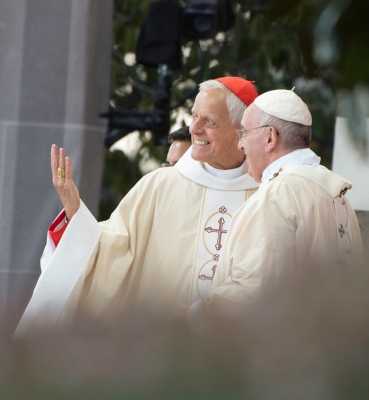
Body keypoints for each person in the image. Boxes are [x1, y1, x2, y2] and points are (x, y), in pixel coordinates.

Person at [15, 77, 260, 335]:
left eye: (208, 121)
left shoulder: (266, 194)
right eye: (194, 116)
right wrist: (75, 212)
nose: (194, 128)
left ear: (241, 130)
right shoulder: (159, 186)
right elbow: (110, 253)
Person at [208, 89, 364, 308]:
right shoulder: (339, 197)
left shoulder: (276, 195)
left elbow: (251, 292)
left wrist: (194, 316)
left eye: (244, 133)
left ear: (270, 137)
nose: (240, 145)